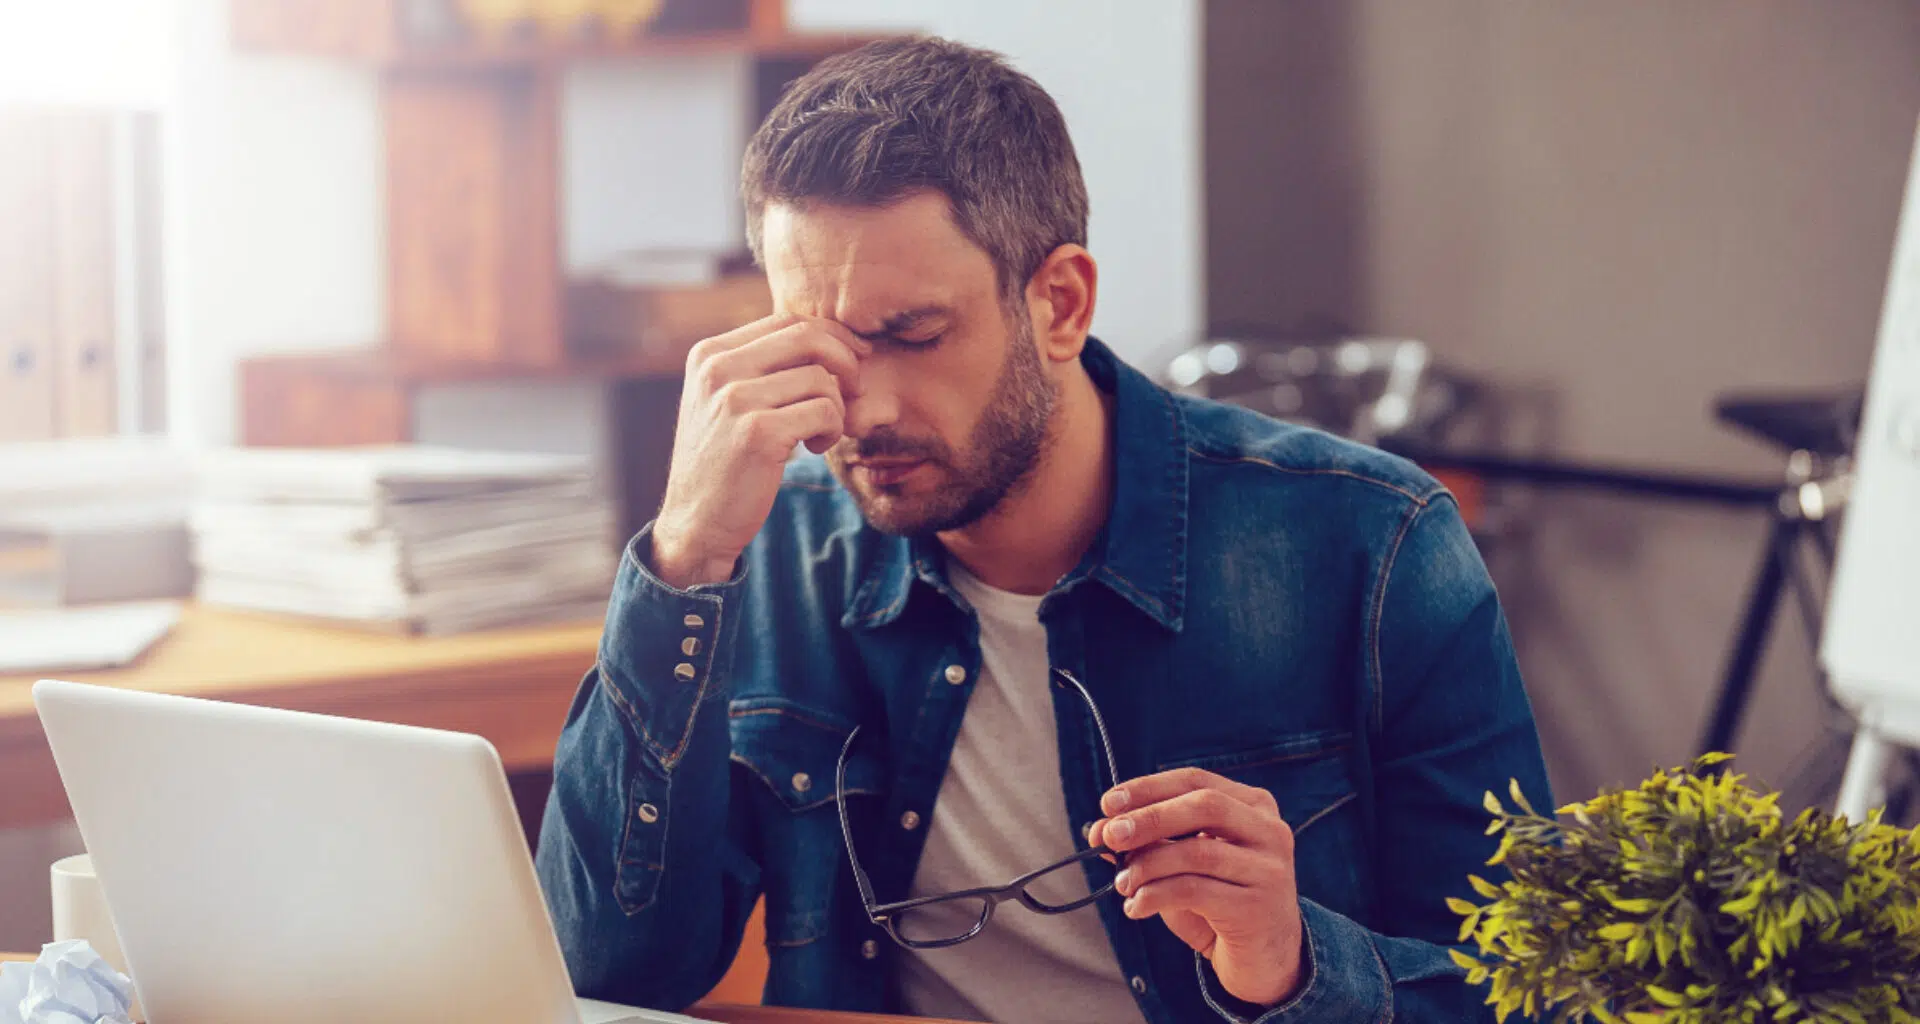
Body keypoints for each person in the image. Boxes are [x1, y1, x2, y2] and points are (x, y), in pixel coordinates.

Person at [536, 35, 1552, 1024]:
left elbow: (1534, 992)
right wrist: (683, 559)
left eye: (915, 335)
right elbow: (606, 976)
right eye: (825, 344)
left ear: (1059, 304)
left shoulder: (1373, 544)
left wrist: (1290, 965)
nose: (864, 408)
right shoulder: (767, 551)